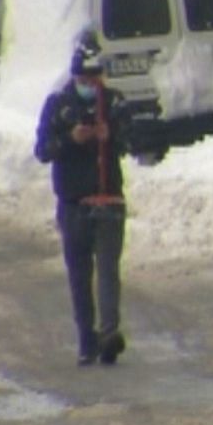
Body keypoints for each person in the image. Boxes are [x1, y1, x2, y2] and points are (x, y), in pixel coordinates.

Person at [34, 32, 131, 366]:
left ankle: (109, 334)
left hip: (109, 202)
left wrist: (112, 135)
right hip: (73, 204)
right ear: (74, 77)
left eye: (95, 77)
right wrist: (70, 139)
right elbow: (43, 150)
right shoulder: (58, 106)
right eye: (84, 78)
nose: (91, 84)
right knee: (79, 274)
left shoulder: (114, 102)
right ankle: (86, 340)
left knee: (107, 270)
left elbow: (132, 141)